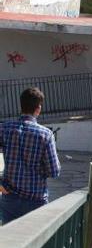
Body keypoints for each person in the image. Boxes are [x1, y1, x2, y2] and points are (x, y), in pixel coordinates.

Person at [0, 88, 61, 225]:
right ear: (38, 108)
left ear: (21, 106)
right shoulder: (46, 134)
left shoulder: (5, 129)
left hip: (9, 199)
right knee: (36, 243)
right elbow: (54, 171)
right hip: (36, 200)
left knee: (10, 242)